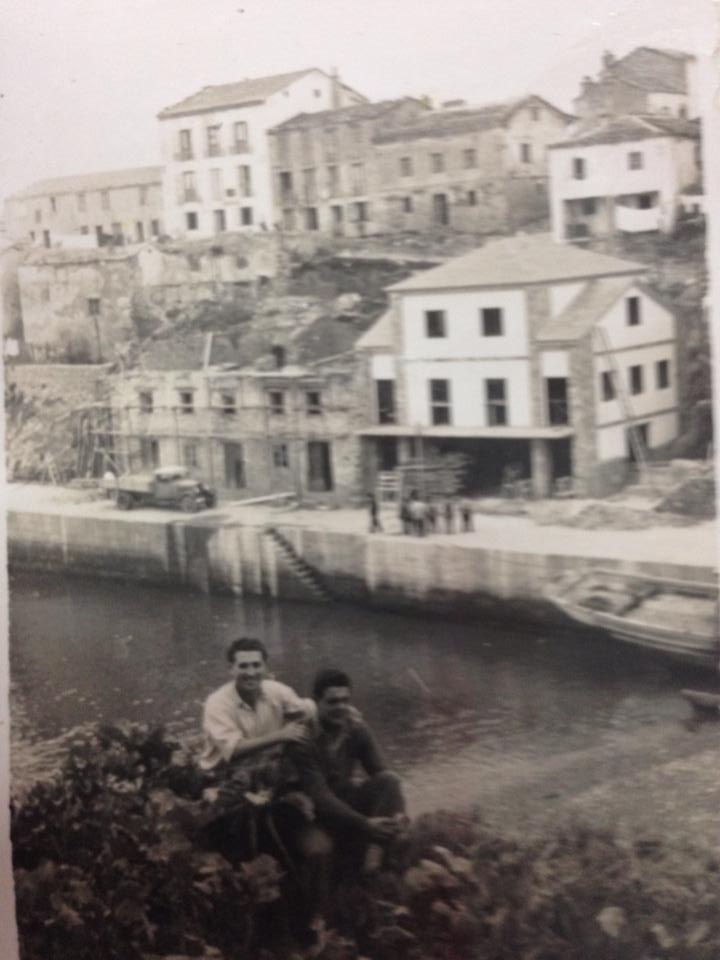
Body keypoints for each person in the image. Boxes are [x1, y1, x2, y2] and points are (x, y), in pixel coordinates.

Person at [291, 668, 406, 876]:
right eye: (333, 702)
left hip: (345, 803)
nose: (341, 707)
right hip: (311, 815)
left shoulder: (356, 728)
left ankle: (373, 861)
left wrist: (396, 811)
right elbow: (320, 797)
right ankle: (322, 907)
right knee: (320, 851)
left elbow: (381, 773)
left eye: (346, 700)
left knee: (390, 781)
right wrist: (365, 824)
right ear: (316, 702)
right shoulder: (302, 738)